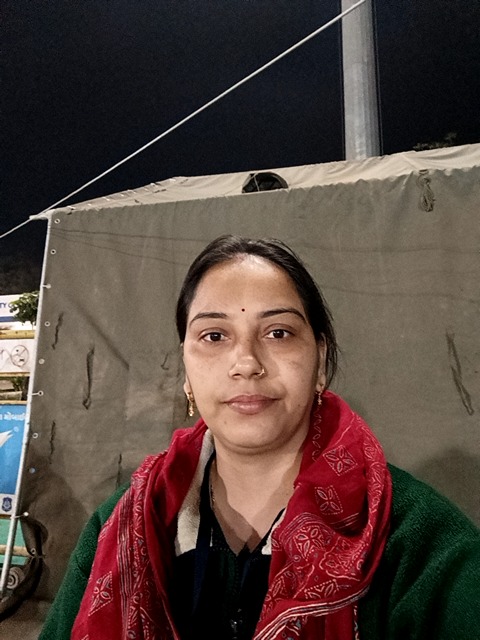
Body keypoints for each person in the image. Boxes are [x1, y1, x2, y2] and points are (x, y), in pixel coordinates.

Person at [40, 235, 480, 640]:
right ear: (186, 372)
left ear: (320, 360)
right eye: (214, 336)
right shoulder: (123, 523)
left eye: (278, 333)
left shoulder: (420, 543)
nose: (246, 362)